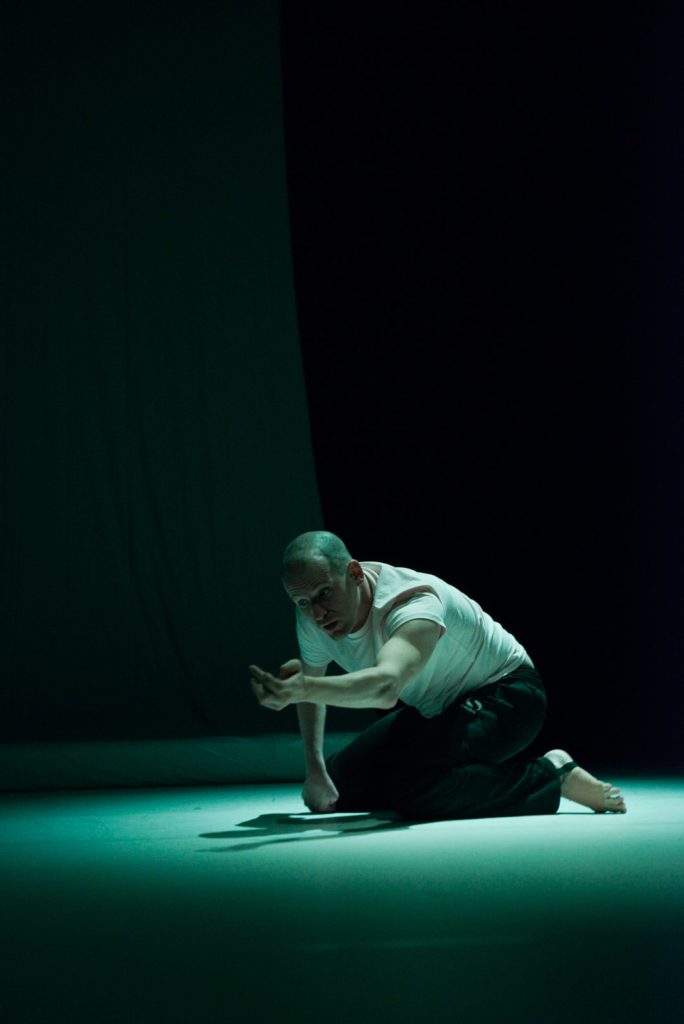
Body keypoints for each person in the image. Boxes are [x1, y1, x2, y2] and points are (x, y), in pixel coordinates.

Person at [249, 531, 626, 821]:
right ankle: (453, 778)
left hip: (509, 695)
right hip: (437, 710)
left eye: (324, 594)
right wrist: (314, 767)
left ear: (354, 572)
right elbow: (311, 683)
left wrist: (304, 688)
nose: (317, 613)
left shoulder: (411, 602)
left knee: (415, 791)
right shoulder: (311, 616)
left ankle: (550, 774)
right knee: (337, 784)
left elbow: (386, 687)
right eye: (303, 602)